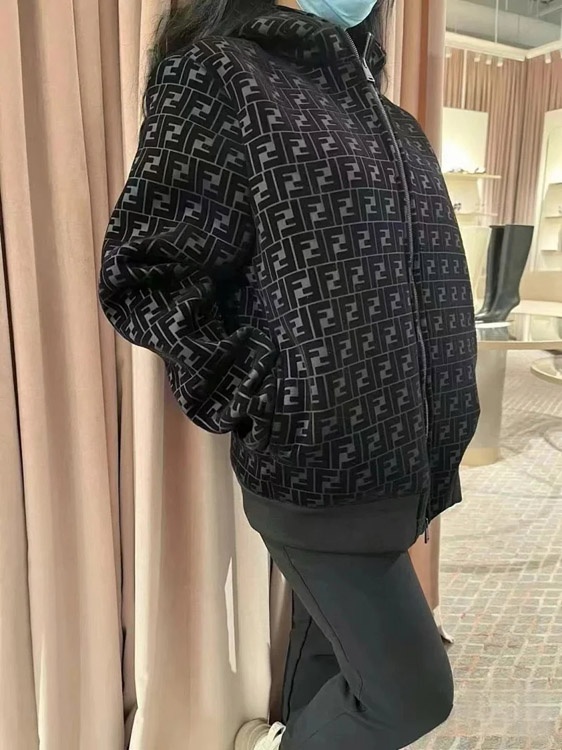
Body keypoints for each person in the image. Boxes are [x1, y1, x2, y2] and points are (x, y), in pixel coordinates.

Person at [99, 1, 480, 748]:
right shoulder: (222, 75)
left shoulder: (393, 124)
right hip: (319, 471)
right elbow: (146, 273)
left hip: (408, 464)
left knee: (328, 657)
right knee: (410, 697)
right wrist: (275, 395)